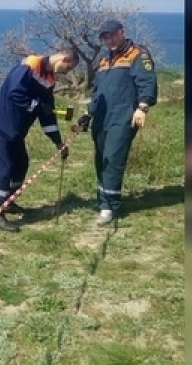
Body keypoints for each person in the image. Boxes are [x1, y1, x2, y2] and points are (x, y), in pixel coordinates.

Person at [0, 48, 79, 232]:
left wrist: (58, 143)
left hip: (16, 132)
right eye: (68, 69)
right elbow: (15, 93)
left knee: (21, 164)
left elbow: (47, 116)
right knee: (3, 170)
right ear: (65, 58)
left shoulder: (49, 80)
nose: (66, 73)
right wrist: (38, 107)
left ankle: (8, 202)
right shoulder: (29, 65)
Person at [77, 20, 158, 225]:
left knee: (113, 159)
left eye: (113, 35)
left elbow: (147, 82)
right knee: (101, 159)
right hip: (101, 119)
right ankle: (104, 200)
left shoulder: (137, 54)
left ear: (122, 32)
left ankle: (109, 207)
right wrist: (88, 113)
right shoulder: (104, 60)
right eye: (105, 37)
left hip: (123, 117)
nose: (110, 40)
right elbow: (98, 92)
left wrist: (142, 107)